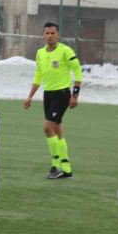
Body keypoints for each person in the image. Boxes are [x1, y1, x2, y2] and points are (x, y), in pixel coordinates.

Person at [23, 22, 82, 179]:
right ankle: (66, 168)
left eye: (52, 33)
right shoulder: (40, 53)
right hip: (48, 95)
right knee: (57, 130)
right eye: (47, 33)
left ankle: (56, 165)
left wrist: (75, 95)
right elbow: (38, 75)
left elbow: (78, 71)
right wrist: (30, 96)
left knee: (47, 127)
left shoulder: (65, 51)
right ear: (43, 35)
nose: (50, 36)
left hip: (62, 94)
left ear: (58, 35)